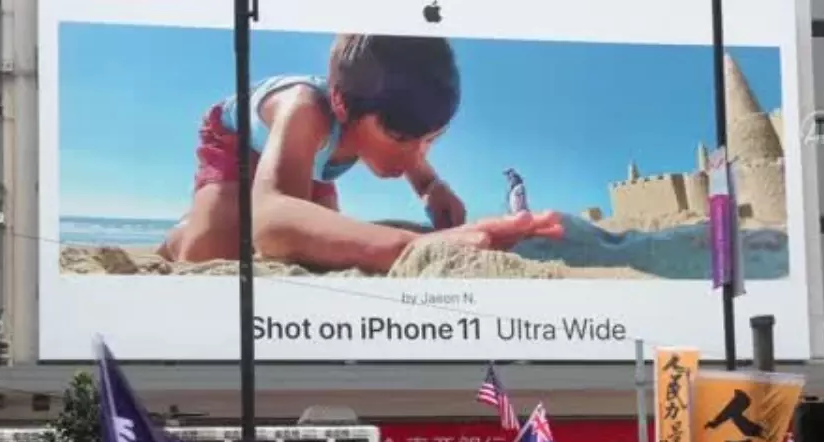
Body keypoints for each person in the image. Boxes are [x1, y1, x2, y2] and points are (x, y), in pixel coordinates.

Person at [158, 33, 564, 273]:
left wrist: (433, 188)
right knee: (209, 255)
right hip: (239, 146)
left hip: (320, 161)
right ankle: (182, 233)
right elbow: (273, 220)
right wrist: (411, 246)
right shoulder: (303, 109)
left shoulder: (387, 122)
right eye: (403, 137)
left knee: (317, 246)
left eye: (432, 139)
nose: (416, 155)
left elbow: (414, 160)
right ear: (340, 103)